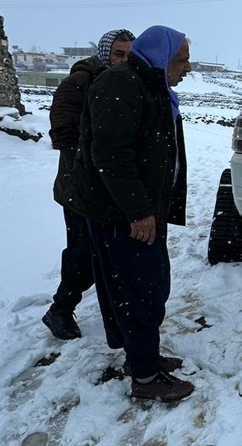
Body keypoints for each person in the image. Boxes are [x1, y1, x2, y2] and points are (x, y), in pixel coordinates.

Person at [70, 26, 194, 403]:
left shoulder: (151, 87)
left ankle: (144, 357)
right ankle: (145, 377)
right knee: (138, 291)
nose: (188, 68)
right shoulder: (121, 85)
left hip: (140, 209)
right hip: (122, 214)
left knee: (150, 287)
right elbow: (111, 156)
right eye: (182, 59)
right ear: (161, 57)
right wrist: (139, 212)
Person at [42, 28, 135, 340]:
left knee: (105, 252)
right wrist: (98, 156)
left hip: (106, 188)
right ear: (104, 53)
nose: (123, 60)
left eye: (128, 55)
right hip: (79, 188)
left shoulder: (123, 83)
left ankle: (114, 306)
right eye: (118, 54)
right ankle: (60, 309)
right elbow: (63, 135)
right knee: (84, 252)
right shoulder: (78, 83)